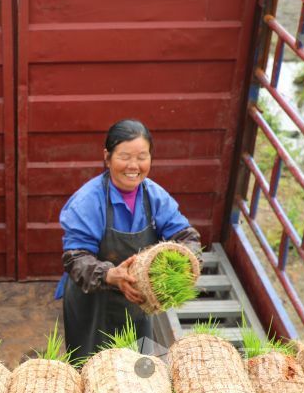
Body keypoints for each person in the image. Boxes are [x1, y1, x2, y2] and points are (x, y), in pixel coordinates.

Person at [57, 119, 202, 359]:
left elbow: (185, 235)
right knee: (91, 367)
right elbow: (75, 258)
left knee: (140, 366)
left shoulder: (154, 196)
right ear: (107, 157)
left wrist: (187, 263)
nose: (133, 166)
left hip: (137, 298)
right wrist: (109, 275)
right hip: (93, 301)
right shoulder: (87, 201)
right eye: (124, 156)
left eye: (142, 156)